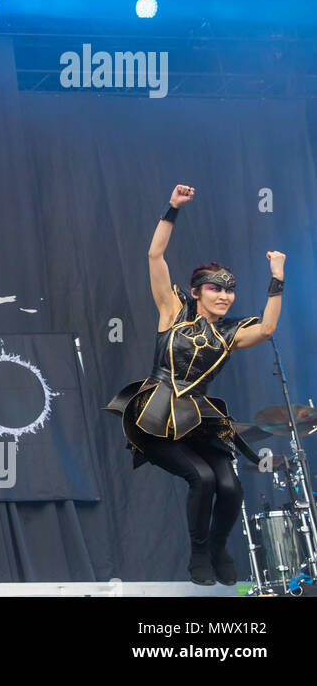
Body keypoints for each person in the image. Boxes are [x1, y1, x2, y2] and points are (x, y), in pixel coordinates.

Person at [106, 184, 284, 586]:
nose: (224, 295)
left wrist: (277, 278)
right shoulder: (172, 311)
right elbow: (155, 255)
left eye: (229, 289)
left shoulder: (230, 334)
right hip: (155, 414)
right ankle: (199, 554)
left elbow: (269, 328)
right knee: (201, 479)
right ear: (196, 291)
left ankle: (219, 547)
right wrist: (172, 209)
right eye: (214, 288)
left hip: (198, 416)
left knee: (230, 486)